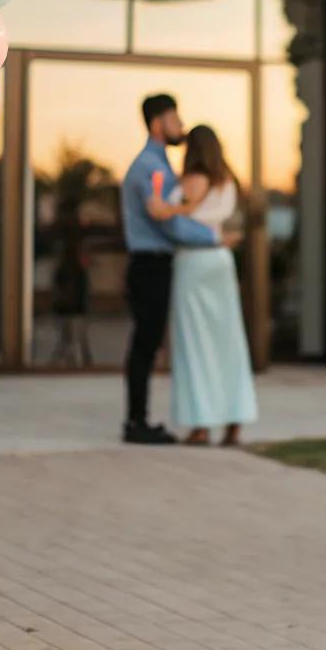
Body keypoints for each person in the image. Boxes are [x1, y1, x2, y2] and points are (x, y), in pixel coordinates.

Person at [148, 124, 257, 447]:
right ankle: (235, 419)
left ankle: (200, 425)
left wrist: (162, 208)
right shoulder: (228, 183)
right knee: (229, 342)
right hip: (221, 262)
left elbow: (173, 218)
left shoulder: (188, 183)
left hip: (193, 263)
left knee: (193, 344)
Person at [120, 94, 217, 444]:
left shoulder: (155, 163)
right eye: (176, 119)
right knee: (145, 344)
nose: (181, 126)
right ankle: (136, 424)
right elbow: (168, 223)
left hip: (151, 264)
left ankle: (137, 420)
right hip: (150, 264)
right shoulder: (152, 167)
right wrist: (213, 235)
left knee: (146, 343)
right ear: (159, 124)